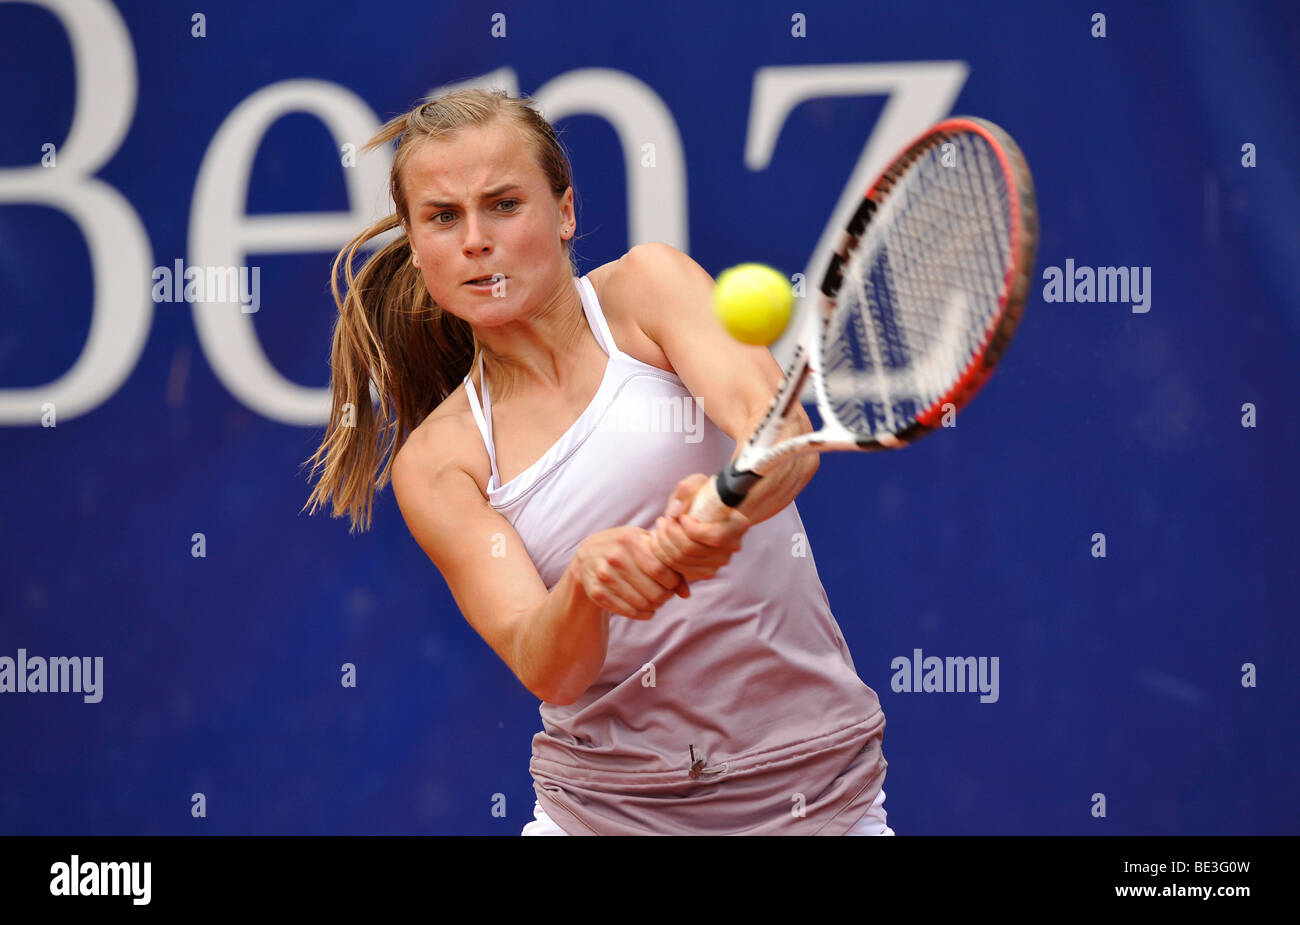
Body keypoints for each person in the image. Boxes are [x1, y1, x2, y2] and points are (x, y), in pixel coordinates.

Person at [302, 88, 892, 836]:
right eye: (444, 217)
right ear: (418, 248)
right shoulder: (438, 463)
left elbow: (778, 434)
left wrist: (721, 509)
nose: (476, 239)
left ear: (565, 212)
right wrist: (585, 584)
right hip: (606, 818)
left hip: (819, 800)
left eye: (505, 203)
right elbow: (545, 664)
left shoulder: (648, 289)